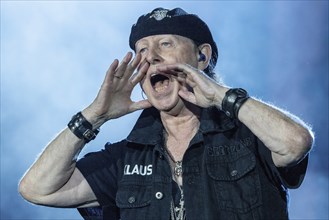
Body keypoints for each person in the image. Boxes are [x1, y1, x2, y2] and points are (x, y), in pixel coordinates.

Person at [19, 7, 314, 220]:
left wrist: (221, 95)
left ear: (202, 56)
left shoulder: (250, 135)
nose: (151, 57)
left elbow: (296, 143)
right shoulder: (127, 158)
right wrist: (94, 115)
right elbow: (38, 189)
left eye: (165, 44)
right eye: (142, 50)